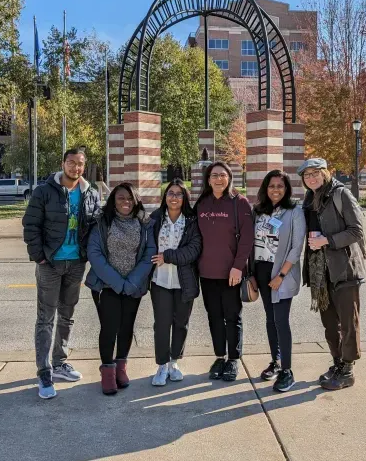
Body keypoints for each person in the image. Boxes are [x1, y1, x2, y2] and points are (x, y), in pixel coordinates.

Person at [22, 148, 100, 400]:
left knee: (67, 316)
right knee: (46, 318)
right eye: (71, 162)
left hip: (76, 263)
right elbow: (30, 225)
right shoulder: (44, 192)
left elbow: (97, 225)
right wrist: (40, 256)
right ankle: (44, 371)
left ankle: (59, 363)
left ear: (83, 167)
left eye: (79, 164)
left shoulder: (91, 193)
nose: (75, 168)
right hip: (51, 264)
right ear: (62, 163)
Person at [297, 158, 365, 391]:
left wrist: (328, 240)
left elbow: (356, 230)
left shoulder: (341, 194)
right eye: (306, 175)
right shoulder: (309, 199)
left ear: (325, 173)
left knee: (348, 322)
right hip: (320, 271)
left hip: (344, 269)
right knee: (329, 324)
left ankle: (348, 369)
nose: (311, 178)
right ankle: (337, 362)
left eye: (315, 173)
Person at [85, 182, 155, 395]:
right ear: (113, 200)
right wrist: (118, 283)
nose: (126, 202)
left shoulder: (144, 223)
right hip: (106, 286)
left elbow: (149, 252)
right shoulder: (102, 222)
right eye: (120, 198)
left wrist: (132, 282)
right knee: (110, 328)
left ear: (136, 200)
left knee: (126, 327)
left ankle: (121, 367)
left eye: (129, 198)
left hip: (133, 286)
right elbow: (94, 254)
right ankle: (107, 371)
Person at [195, 161, 254, 382]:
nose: (218, 179)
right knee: (214, 317)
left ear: (229, 178)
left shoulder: (239, 203)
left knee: (232, 316)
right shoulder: (202, 203)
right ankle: (220, 356)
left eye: (222, 175)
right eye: (214, 175)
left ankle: (233, 359)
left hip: (231, 273)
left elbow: (247, 239)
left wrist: (238, 266)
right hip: (206, 272)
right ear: (208, 179)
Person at [247, 170, 306, 393]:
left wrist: (281, 276)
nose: (276, 190)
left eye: (280, 186)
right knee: (270, 319)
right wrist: (252, 271)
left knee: (281, 321)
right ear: (265, 188)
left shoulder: (294, 212)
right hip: (261, 270)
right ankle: (276, 360)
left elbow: (296, 248)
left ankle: (287, 371)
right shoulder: (259, 211)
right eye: (272, 186)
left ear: (287, 189)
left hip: (281, 272)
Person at [148, 179, 202, 386]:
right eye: (170, 193)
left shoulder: (191, 220)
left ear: (185, 198)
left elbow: (193, 250)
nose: (174, 197)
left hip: (184, 282)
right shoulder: (155, 218)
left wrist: (167, 256)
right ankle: (161, 365)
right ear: (165, 196)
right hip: (159, 281)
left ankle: (174, 362)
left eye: (179, 194)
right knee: (161, 325)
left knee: (181, 324)